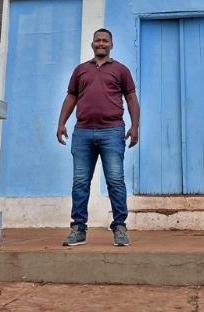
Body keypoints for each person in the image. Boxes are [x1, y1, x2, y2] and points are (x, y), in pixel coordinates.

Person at [56, 28, 140, 247]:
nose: (101, 43)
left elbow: (131, 98)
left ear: (111, 44)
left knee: (115, 181)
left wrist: (135, 127)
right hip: (82, 132)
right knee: (80, 182)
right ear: (92, 44)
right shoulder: (81, 70)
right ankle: (78, 229)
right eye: (97, 40)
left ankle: (120, 227)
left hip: (112, 132)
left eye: (105, 40)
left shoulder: (121, 70)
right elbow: (71, 97)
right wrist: (61, 123)